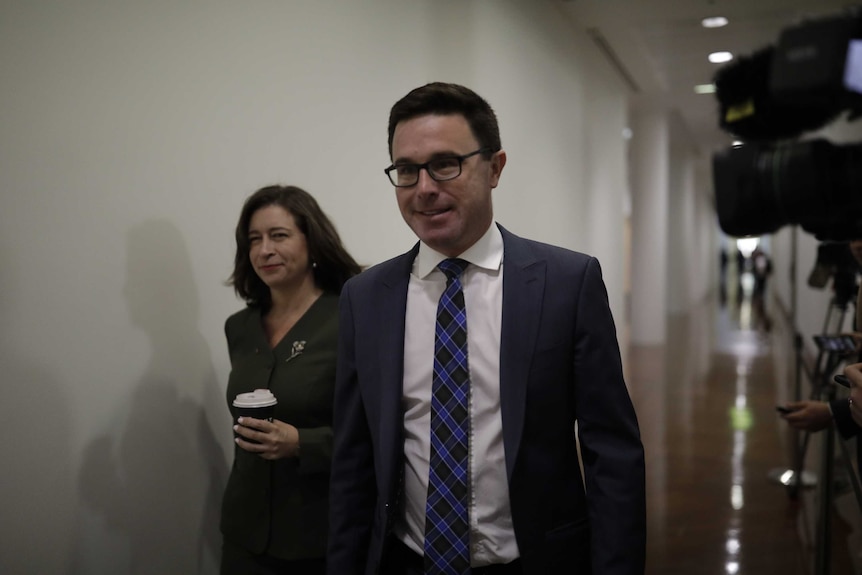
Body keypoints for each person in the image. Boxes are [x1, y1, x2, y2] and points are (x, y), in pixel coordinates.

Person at [328, 82, 646, 574]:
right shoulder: (366, 298)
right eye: (407, 170)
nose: (424, 188)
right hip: (408, 560)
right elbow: (353, 460)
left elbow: (612, 451)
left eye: (445, 164)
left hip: (534, 560)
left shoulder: (566, 283)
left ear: (494, 168)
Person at [221, 185, 361, 575]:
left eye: (278, 236)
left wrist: (303, 443)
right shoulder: (239, 327)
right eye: (254, 239)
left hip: (318, 539)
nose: (264, 250)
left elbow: (377, 433)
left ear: (313, 242)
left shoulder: (351, 318)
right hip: (244, 538)